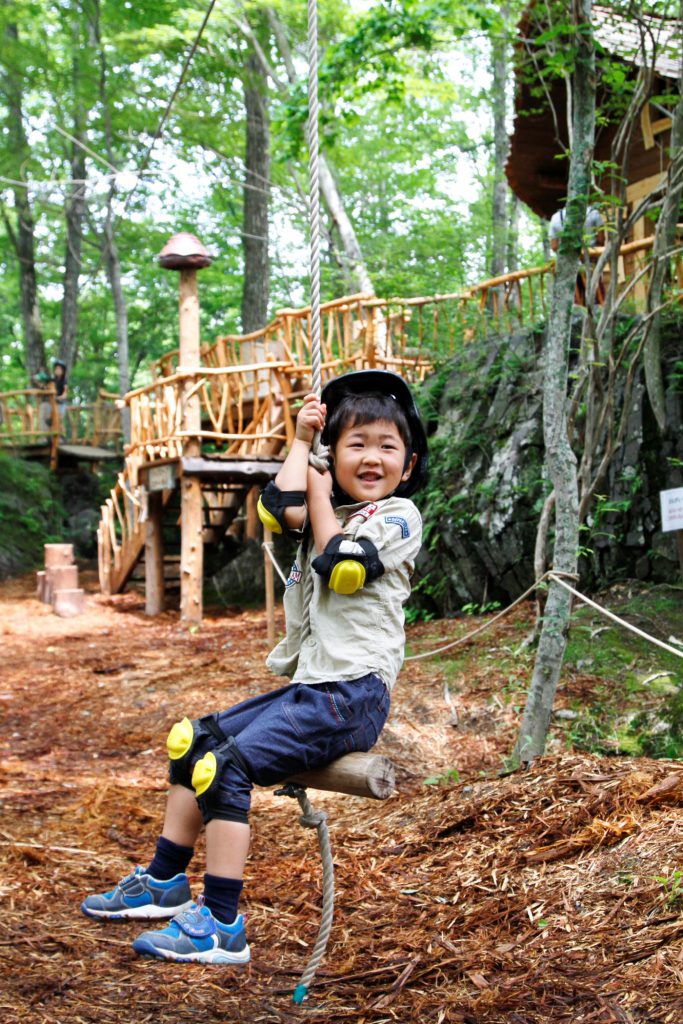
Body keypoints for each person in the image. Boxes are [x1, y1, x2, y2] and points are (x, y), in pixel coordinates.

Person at [81, 369, 428, 965]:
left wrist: (320, 488)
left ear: (410, 462)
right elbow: (276, 508)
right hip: (314, 689)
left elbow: (342, 563)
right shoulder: (329, 499)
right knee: (193, 743)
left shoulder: (396, 517)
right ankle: (165, 881)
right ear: (333, 454)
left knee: (224, 767)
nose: (371, 458)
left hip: (351, 696)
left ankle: (220, 923)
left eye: (386, 446)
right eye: (355, 445)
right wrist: (300, 442)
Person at [549, 205, 606, 305]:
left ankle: (578, 313)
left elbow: (554, 246)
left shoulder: (556, 218)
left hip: (569, 264)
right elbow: (601, 239)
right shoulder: (593, 212)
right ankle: (600, 311)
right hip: (590, 261)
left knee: (575, 293)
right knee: (596, 289)